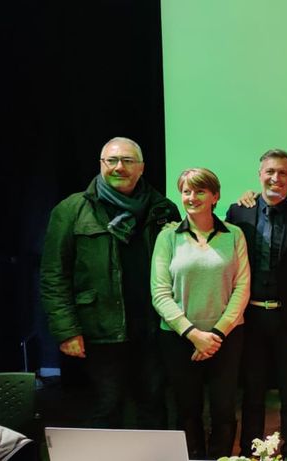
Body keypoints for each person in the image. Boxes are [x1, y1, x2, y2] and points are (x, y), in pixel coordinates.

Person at [40, 137, 179, 429]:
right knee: (105, 409)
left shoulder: (163, 209)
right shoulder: (71, 210)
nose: (119, 167)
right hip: (98, 331)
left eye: (127, 161)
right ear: (101, 164)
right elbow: (54, 275)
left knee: (153, 406)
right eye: (112, 160)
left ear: (141, 168)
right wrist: (67, 331)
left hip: (152, 330)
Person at [226, 150, 287, 460]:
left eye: (283, 173)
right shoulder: (238, 213)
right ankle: (250, 453)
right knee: (253, 393)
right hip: (250, 319)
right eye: (270, 171)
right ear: (260, 175)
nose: (276, 178)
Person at [151, 168, 250, 459]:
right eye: (186, 191)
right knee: (187, 409)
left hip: (226, 338)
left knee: (223, 409)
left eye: (200, 191)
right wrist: (194, 335)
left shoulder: (234, 235)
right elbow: (160, 293)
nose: (192, 197)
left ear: (215, 196)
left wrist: (216, 334)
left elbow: (242, 287)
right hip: (179, 339)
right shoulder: (167, 237)